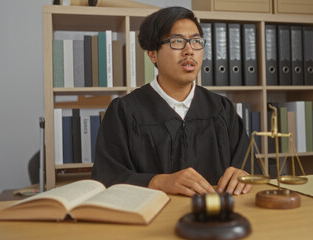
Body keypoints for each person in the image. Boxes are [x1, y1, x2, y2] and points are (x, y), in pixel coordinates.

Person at [91, 6, 252, 197]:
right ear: (152, 54)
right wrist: (158, 181)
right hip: (151, 220)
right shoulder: (125, 112)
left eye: (196, 41)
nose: (189, 50)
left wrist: (243, 175)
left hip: (214, 218)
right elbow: (107, 178)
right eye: (177, 41)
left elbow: (248, 167)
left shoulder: (222, 110)